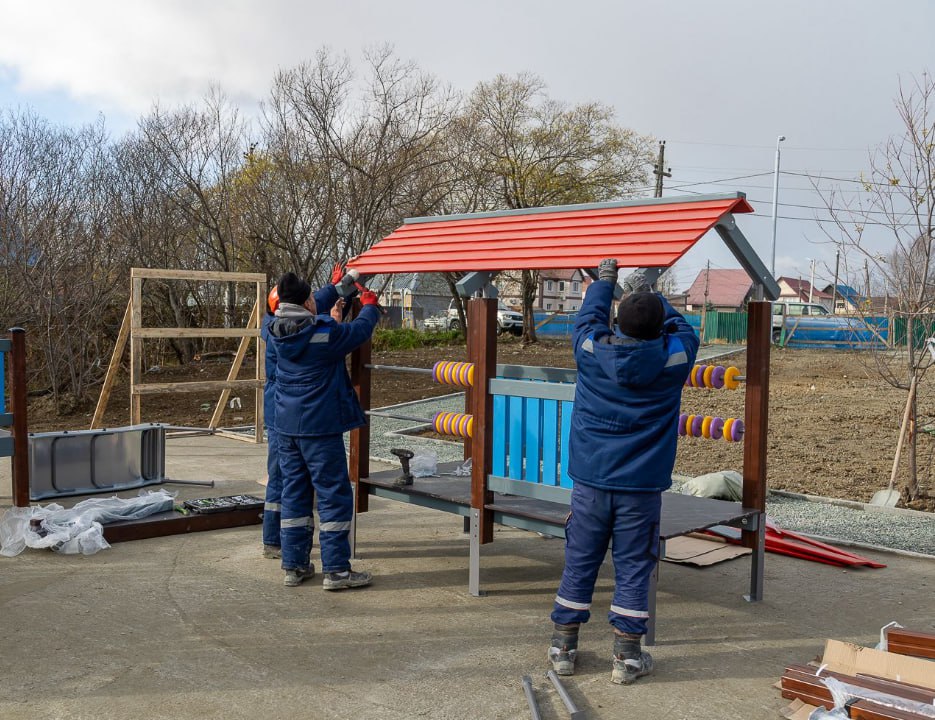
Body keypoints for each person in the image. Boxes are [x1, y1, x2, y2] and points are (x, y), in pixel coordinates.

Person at [548, 258, 699, 685]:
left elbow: (586, 320)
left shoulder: (591, 352)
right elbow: (686, 330)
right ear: (660, 328)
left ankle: (563, 648)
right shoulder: (674, 359)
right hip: (641, 486)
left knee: (579, 561)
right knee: (634, 565)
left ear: (617, 321)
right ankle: (627, 658)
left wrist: (605, 283)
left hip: (591, 483)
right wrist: (652, 296)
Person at [268, 270, 380, 589]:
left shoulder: (274, 329)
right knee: (333, 496)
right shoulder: (322, 333)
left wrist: (335, 290)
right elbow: (358, 331)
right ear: (306, 302)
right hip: (319, 428)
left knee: (295, 494)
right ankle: (337, 571)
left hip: (286, 428)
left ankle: (294, 566)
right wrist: (371, 305)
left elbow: (311, 304)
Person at [260, 265, 354, 560]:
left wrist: (342, 287)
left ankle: (288, 552)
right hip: (286, 414)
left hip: (284, 412)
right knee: (284, 481)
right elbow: (327, 330)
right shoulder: (286, 334)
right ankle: (274, 541)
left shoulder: (276, 325)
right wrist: (338, 320)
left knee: (291, 486)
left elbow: (316, 302)